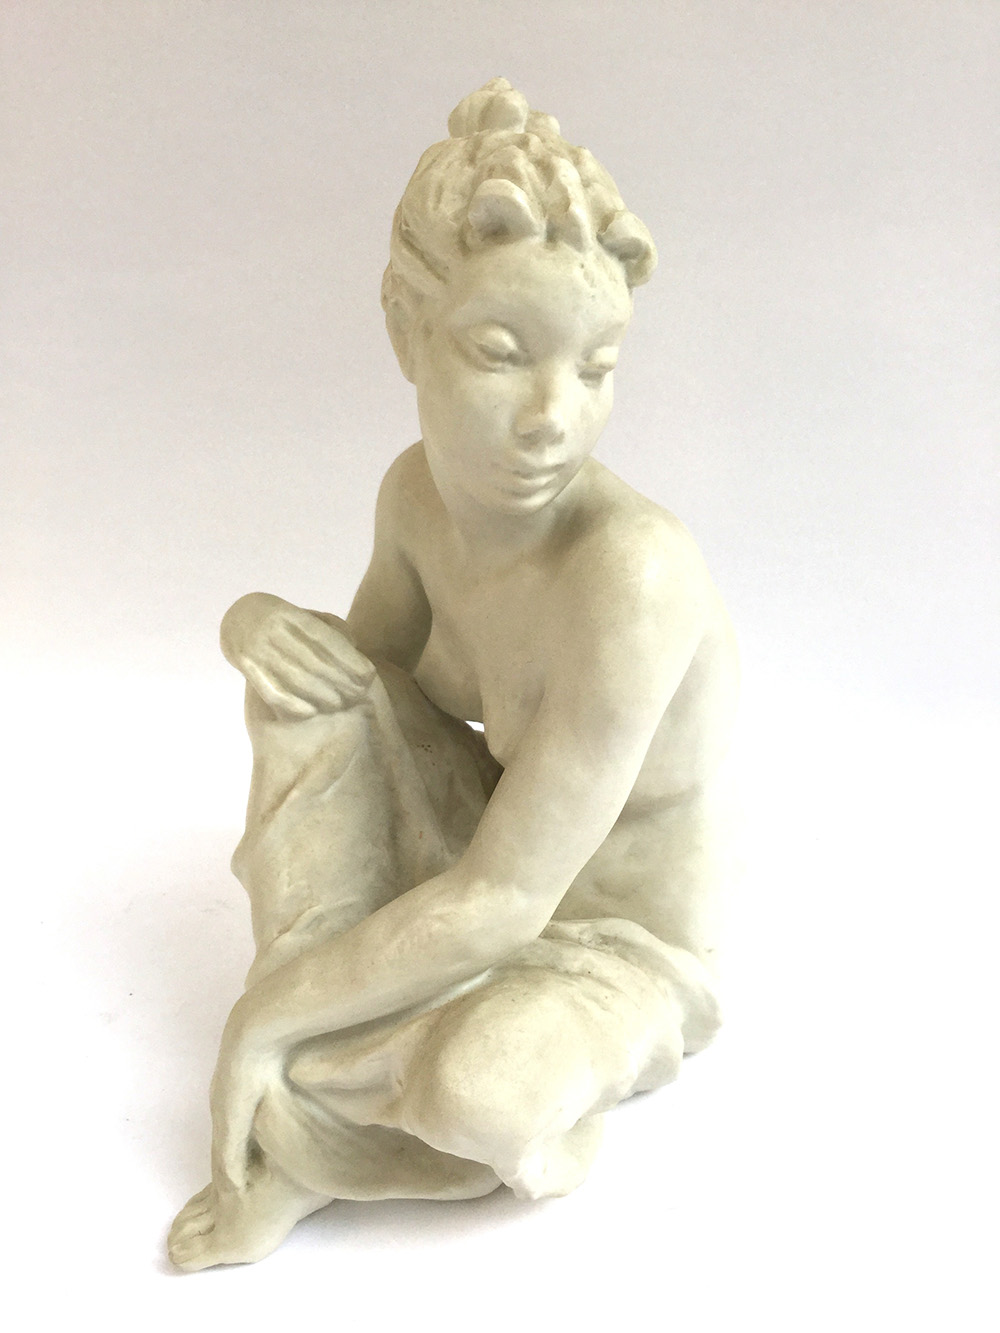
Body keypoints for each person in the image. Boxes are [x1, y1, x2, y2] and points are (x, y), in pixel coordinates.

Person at [168, 78, 739, 1271]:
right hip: (482, 853)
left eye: (596, 367)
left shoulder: (632, 575)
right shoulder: (415, 496)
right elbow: (367, 690)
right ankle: (326, 1069)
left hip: (599, 934)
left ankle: (313, 1113)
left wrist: (259, 1021)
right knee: (302, 690)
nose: (552, 418)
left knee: (481, 1091)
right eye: (500, 355)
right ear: (405, 330)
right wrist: (250, 620)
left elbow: (509, 901)